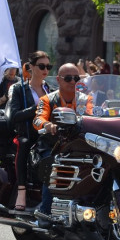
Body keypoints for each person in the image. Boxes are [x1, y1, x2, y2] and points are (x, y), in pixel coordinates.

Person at [32, 62, 87, 224]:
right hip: (52, 145)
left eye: (76, 78)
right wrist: (47, 125)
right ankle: (45, 212)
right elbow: (38, 119)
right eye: (68, 78)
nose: (72, 81)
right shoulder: (48, 99)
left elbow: (95, 115)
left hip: (79, 145)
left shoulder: (86, 100)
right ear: (58, 79)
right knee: (54, 166)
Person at [4, 51, 52, 212]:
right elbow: (14, 116)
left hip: (46, 135)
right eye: (42, 66)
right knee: (23, 144)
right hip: (27, 134)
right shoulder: (19, 89)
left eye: (48, 66)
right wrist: (35, 109)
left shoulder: (49, 89)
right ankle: (21, 191)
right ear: (31, 67)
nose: (46, 70)